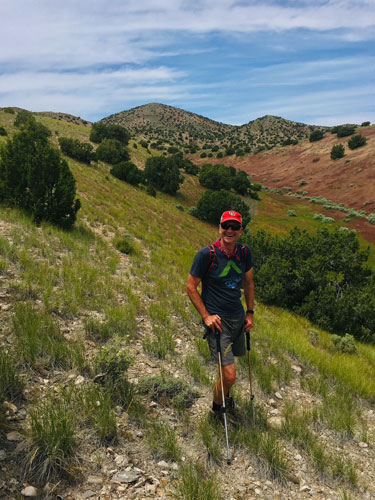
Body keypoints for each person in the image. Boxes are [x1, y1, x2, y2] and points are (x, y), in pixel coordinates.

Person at [186, 210, 254, 417]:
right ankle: (217, 409)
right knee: (230, 375)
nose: (230, 231)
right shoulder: (207, 255)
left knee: (228, 374)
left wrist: (250, 313)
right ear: (219, 228)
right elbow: (191, 286)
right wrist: (206, 316)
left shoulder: (244, 252)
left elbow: (249, 282)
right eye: (226, 226)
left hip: (238, 319)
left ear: (241, 230)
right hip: (218, 324)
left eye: (234, 227)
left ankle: (224, 397)